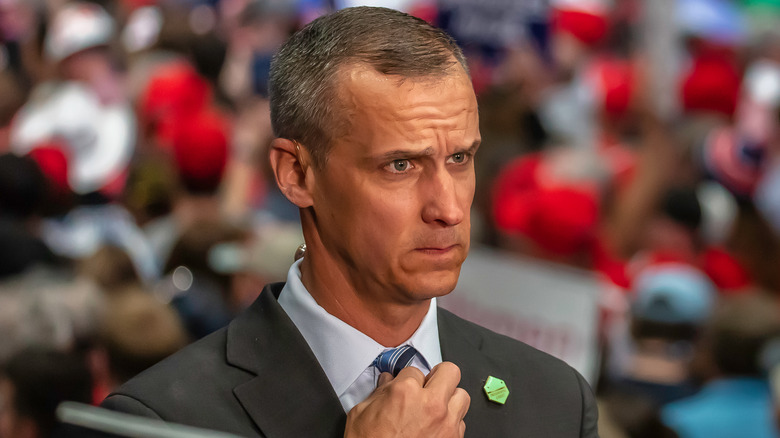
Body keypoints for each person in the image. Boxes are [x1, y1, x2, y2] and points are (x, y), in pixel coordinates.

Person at [102, 7, 599, 437]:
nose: (448, 208)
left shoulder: (555, 401)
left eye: (460, 159)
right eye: (400, 165)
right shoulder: (160, 420)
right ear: (297, 174)